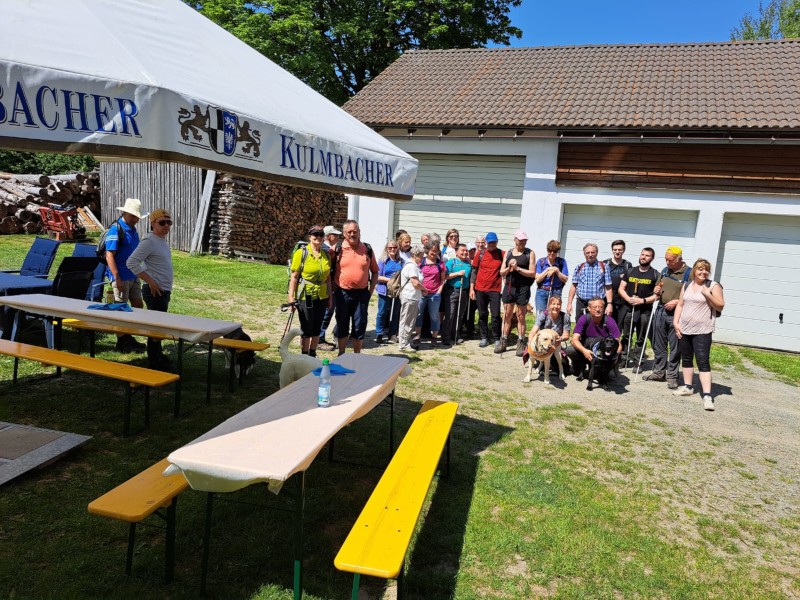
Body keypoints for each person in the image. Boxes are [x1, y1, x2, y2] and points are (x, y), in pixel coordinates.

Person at [673, 259, 725, 410]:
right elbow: (680, 305)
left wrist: (708, 295)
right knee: (687, 358)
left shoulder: (713, 286)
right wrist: (676, 323)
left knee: (703, 361)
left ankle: (708, 395)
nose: (703, 272)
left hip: (703, 330)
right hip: (684, 328)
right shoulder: (687, 285)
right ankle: (688, 387)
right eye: (700, 269)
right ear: (694, 271)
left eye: (706, 270)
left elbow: (720, 305)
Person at [126, 208, 174, 370]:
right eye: (162, 222)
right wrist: (151, 282)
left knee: (158, 325)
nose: (166, 226)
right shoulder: (149, 241)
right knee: (156, 327)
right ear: (153, 224)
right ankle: (154, 361)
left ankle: (157, 355)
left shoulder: (160, 240)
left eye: (169, 222)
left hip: (163, 290)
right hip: (155, 291)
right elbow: (131, 262)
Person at [644, 246, 691, 389]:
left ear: (679, 259)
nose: (667, 262)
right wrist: (656, 291)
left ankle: (672, 376)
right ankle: (658, 372)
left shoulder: (689, 273)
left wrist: (677, 302)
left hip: (677, 314)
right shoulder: (665, 271)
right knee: (658, 344)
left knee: (675, 346)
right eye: (665, 259)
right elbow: (658, 288)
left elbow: (694, 295)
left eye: (670, 260)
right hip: (660, 310)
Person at [330, 219, 378, 355]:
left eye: (355, 231)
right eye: (349, 232)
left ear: (359, 232)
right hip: (342, 293)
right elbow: (326, 269)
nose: (352, 234)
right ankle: (342, 353)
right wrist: (330, 283)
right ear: (344, 233)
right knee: (342, 323)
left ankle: (357, 355)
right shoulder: (336, 249)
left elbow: (375, 271)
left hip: (362, 294)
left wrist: (370, 291)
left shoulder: (367, 249)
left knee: (360, 325)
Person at [106, 197, 147, 353]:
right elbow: (109, 255)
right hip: (120, 276)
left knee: (137, 304)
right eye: (135, 216)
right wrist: (117, 277)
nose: (137, 219)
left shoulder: (132, 228)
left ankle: (129, 335)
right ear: (126, 213)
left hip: (133, 274)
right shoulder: (116, 229)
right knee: (120, 308)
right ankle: (122, 340)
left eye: (137, 216)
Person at [288, 225, 332, 357]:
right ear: (309, 237)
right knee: (307, 325)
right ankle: (304, 355)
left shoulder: (326, 255)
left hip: (322, 295)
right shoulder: (301, 253)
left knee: (318, 325)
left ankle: (312, 353)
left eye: (320, 234)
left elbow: (328, 278)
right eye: (315, 234)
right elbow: (294, 277)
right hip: (306, 293)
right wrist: (291, 297)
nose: (318, 237)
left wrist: (330, 297)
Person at [618, 247, 661, 363]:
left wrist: (642, 301)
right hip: (629, 309)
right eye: (642, 254)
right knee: (626, 336)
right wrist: (629, 299)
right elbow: (621, 289)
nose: (643, 257)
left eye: (647, 255)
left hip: (644, 311)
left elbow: (657, 296)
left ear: (652, 258)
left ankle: (638, 361)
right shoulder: (630, 271)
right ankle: (623, 359)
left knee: (641, 337)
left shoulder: (655, 274)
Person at [498, 230, 535, 355]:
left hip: (523, 288)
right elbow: (501, 272)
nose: (523, 242)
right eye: (520, 240)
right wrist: (509, 268)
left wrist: (518, 268)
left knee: (521, 316)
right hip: (510, 287)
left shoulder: (530, 253)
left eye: (524, 240)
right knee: (507, 315)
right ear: (515, 240)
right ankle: (503, 340)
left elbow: (532, 272)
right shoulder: (508, 252)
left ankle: (520, 342)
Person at [567, 296, 622, 381]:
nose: (597, 309)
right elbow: (574, 340)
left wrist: (615, 356)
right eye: (594, 307)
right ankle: (577, 366)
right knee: (570, 350)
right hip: (586, 349)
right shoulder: (584, 319)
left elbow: (618, 343)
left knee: (602, 378)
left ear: (604, 309)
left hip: (603, 352)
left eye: (600, 307)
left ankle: (607, 369)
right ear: (589, 308)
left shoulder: (609, 321)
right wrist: (584, 351)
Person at [470, 231, 504, 348]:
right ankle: (484, 337)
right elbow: (474, 271)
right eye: (490, 243)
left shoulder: (501, 254)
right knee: (482, 314)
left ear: (497, 242)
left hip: (495, 289)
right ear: (486, 243)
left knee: (495, 315)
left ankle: (496, 338)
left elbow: (511, 260)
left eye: (494, 243)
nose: (492, 245)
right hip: (480, 289)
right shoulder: (480, 254)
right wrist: (472, 289)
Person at [413, 241, 446, 348]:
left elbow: (442, 279)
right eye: (432, 251)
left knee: (434, 316)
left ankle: (435, 337)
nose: (434, 253)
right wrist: (420, 289)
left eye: (436, 251)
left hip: (434, 294)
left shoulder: (440, 263)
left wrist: (439, 291)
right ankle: (418, 335)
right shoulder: (421, 262)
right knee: (419, 314)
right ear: (427, 251)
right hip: (421, 293)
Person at [528, 296, 571, 374]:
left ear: (561, 306)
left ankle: (550, 368)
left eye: (558, 304)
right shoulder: (543, 315)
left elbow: (566, 335)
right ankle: (542, 366)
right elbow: (533, 332)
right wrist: (530, 344)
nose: (556, 306)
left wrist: (560, 339)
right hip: (542, 344)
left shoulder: (565, 317)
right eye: (553, 304)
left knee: (564, 368)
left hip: (556, 344)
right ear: (549, 306)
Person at [567, 243, 613, 317]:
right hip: (582, 303)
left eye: (593, 252)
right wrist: (569, 303)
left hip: (598, 304)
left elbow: (608, 287)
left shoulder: (604, 267)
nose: (590, 254)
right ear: (584, 254)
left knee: (597, 327)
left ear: (597, 253)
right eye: (587, 253)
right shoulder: (579, 267)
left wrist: (609, 304)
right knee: (581, 326)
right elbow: (574, 286)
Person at [317, 225, 342, 351]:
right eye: (335, 235)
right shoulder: (324, 249)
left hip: (332, 285)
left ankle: (319, 337)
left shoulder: (331, 248)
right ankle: (319, 339)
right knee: (326, 312)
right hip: (327, 286)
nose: (338, 237)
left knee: (329, 312)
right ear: (328, 236)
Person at [441, 243, 472, 346]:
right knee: (450, 314)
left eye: (466, 250)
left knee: (459, 314)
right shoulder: (451, 262)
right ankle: (445, 336)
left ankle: (455, 335)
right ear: (456, 252)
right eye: (462, 250)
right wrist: (458, 274)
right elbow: (445, 276)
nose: (465, 252)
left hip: (464, 291)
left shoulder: (468, 264)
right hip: (452, 290)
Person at [398, 246, 427, 352]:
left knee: (410, 321)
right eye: (421, 256)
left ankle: (406, 340)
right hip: (409, 296)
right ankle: (403, 344)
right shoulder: (411, 266)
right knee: (406, 320)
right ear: (415, 256)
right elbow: (415, 283)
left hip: (413, 297)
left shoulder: (414, 266)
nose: (422, 258)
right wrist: (424, 289)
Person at [375, 240, 404, 343]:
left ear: (397, 249)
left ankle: (392, 334)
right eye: (390, 248)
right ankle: (379, 333)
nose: (392, 249)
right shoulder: (382, 261)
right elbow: (377, 276)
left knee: (396, 313)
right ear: (386, 249)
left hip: (397, 291)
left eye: (394, 247)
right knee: (382, 312)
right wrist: (392, 280)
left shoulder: (401, 261)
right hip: (384, 290)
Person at [534, 240, 569, 315]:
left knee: (554, 315)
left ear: (557, 252)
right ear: (547, 250)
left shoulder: (562, 262)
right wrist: (548, 269)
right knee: (540, 315)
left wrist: (557, 270)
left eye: (555, 251)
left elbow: (565, 279)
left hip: (556, 291)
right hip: (542, 291)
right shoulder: (541, 261)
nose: (552, 253)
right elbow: (537, 279)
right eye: (550, 250)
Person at [604, 240, 633, 327]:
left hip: (621, 300)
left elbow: (630, 282)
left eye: (620, 250)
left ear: (623, 250)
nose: (617, 252)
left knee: (619, 325)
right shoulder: (605, 263)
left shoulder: (628, 265)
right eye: (615, 249)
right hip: (607, 299)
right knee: (606, 323)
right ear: (612, 250)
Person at [463, 235, 485, 339]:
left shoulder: (479, 257)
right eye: (469, 251)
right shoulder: (466, 261)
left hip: (478, 287)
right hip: (467, 287)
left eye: (472, 250)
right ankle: (467, 328)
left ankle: (473, 329)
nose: (471, 252)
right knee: (468, 309)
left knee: (475, 308)